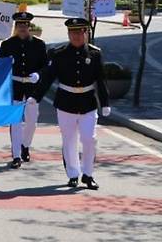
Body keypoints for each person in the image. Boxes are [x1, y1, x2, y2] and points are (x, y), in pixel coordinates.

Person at [30, 18, 110, 190]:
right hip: (66, 102)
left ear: (85, 33)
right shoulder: (59, 54)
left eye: (79, 32)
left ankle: (88, 174)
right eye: (73, 33)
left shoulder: (95, 54)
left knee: (89, 139)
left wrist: (105, 103)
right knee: (69, 140)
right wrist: (35, 97)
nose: (76, 36)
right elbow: (49, 78)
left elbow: (100, 80)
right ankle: (73, 174)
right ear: (68, 34)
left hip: (88, 102)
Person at [0, 12, 47, 169]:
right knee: (16, 122)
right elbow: (0, 66)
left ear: (29, 27)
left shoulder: (39, 44)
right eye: (19, 25)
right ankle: (16, 155)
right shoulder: (7, 45)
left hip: (32, 87)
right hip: (15, 86)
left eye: (25, 25)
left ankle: (26, 144)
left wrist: (38, 74)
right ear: (16, 27)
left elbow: (46, 65)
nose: (22, 28)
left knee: (32, 121)